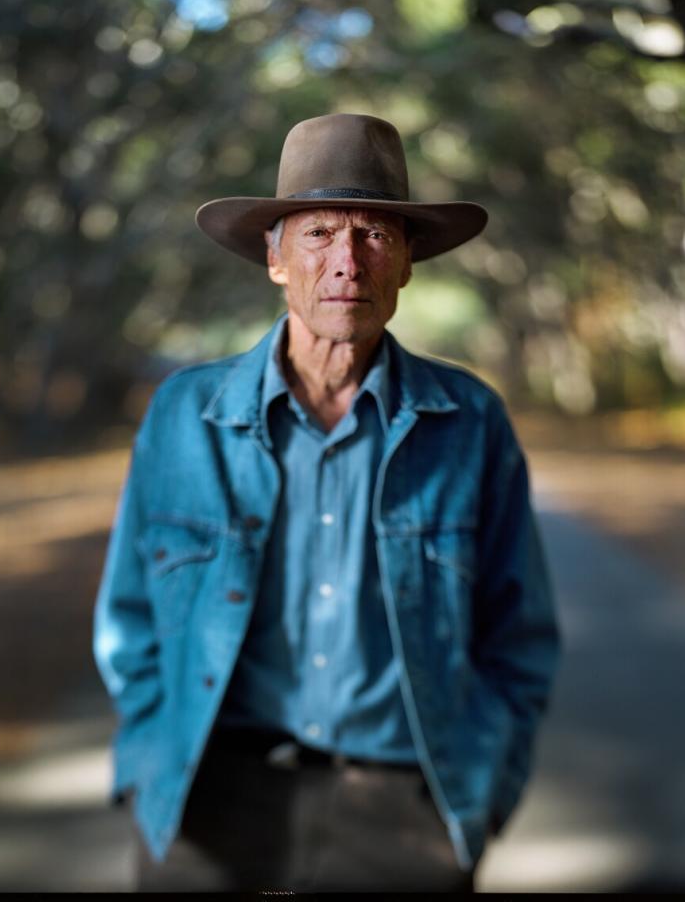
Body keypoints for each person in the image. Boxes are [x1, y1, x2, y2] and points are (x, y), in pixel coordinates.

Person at [94, 112, 560, 892]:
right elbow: (130, 614)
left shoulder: (470, 420)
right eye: (317, 235)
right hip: (208, 799)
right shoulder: (185, 413)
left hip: (405, 809)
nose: (347, 261)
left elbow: (520, 633)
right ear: (274, 259)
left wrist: (486, 788)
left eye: (376, 235)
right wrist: (148, 756)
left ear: (407, 262)